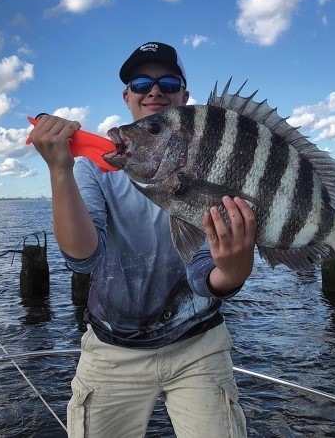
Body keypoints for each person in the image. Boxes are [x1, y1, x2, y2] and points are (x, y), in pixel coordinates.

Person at [29, 41, 257, 437]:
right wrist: (60, 171)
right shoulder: (96, 167)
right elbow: (84, 258)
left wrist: (233, 271)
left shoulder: (215, 160)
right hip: (111, 350)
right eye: (141, 82)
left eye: (168, 82)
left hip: (198, 345)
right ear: (127, 96)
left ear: (185, 97)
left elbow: (206, 271)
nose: (155, 90)